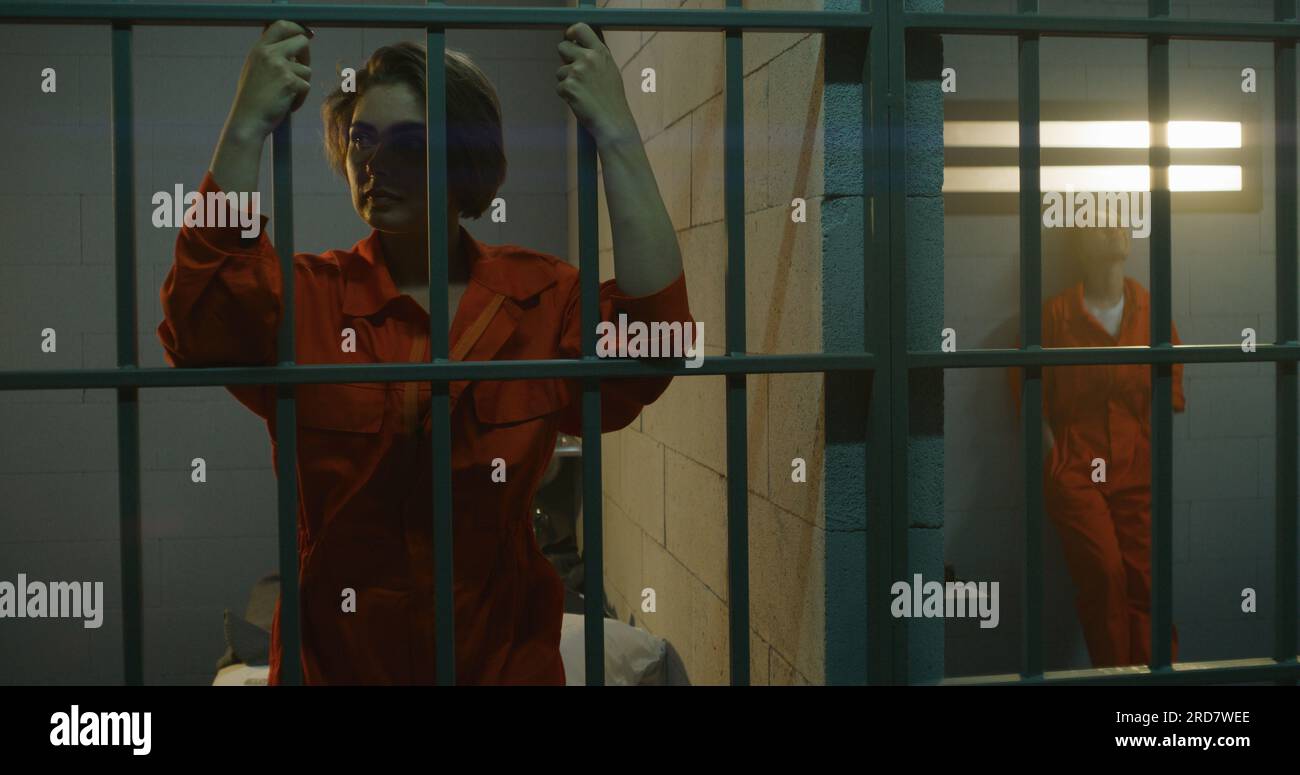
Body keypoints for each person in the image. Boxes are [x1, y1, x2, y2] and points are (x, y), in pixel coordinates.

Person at [157, 20, 693, 684]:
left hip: (499, 665)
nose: (375, 166)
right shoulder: (309, 299)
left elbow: (656, 341)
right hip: (338, 668)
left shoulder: (537, 297)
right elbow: (200, 320)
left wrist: (614, 131)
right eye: (361, 140)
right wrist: (244, 130)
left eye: (409, 144)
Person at [1008, 225, 1186, 668]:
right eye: (1097, 222)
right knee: (1104, 577)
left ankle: (1157, 689)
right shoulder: (1054, 316)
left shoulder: (1151, 310)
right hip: (1078, 470)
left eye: (1119, 220)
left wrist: (1147, 449)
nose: (1113, 230)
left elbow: (1171, 390)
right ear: (1078, 245)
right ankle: (1118, 680)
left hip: (1137, 468)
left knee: (1148, 583)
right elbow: (1026, 394)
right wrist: (1055, 459)